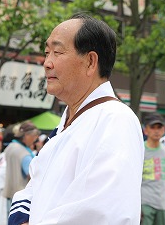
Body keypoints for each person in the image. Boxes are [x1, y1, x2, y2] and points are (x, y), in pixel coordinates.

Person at [8, 14, 144, 225]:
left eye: (57, 52)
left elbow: (103, 211)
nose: (47, 63)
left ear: (90, 61)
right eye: (46, 52)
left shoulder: (115, 119)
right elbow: (34, 187)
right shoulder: (69, 121)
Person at [141, 113, 165, 225]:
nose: (156, 131)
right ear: (146, 130)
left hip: (162, 204)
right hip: (144, 203)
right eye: (152, 127)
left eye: (159, 127)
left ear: (164, 129)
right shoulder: (140, 149)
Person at [3, 121, 40, 210]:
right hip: (21, 195)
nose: (35, 139)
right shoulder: (24, 153)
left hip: (9, 191)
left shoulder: (10, 146)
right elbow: (33, 175)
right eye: (34, 136)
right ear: (27, 135)